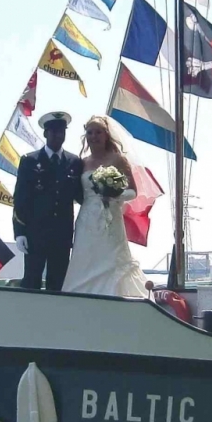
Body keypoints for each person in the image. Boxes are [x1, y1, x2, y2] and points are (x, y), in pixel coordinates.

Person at [61, 115, 150, 298]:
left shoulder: (118, 159)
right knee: (84, 259)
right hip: (87, 219)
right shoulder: (82, 162)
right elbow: (78, 194)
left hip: (111, 219)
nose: (94, 136)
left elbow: (133, 191)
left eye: (98, 132)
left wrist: (114, 194)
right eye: (90, 132)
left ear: (106, 135)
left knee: (111, 259)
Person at [13, 111, 83, 291]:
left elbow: (81, 196)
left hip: (62, 234)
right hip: (35, 232)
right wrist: (19, 232)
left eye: (61, 131)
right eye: (53, 131)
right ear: (45, 133)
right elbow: (20, 198)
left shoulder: (74, 162)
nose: (58, 135)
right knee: (31, 280)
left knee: (58, 282)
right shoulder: (30, 160)